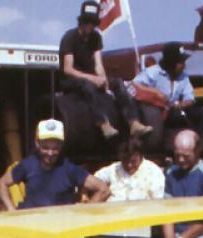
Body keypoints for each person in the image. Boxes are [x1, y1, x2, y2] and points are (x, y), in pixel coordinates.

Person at [59, 1, 151, 142]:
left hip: (91, 77)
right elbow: (68, 69)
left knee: (118, 83)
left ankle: (134, 122)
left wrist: (103, 79)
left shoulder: (96, 38)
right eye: (87, 21)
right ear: (81, 21)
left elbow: (98, 64)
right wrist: (93, 79)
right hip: (72, 80)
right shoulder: (69, 37)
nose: (89, 25)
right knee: (88, 86)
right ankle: (103, 124)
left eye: (92, 22)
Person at [0, 119, 110, 210]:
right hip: (31, 221)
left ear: (62, 145)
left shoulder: (70, 169)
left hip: (60, 223)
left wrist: (84, 213)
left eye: (55, 148)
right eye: (45, 147)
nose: (50, 153)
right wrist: (11, 210)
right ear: (37, 143)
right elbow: (1, 184)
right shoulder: (27, 165)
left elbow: (103, 189)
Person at [132, 42, 203, 155]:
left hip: (174, 110)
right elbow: (134, 86)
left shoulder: (183, 76)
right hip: (156, 112)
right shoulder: (152, 72)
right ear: (171, 63)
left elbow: (190, 97)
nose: (184, 65)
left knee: (201, 113)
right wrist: (154, 93)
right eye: (181, 62)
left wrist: (180, 105)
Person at [94, 137, 165, 202]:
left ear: (141, 157)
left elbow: (157, 202)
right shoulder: (114, 169)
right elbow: (93, 179)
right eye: (125, 160)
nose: (129, 165)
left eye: (133, 161)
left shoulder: (154, 172)